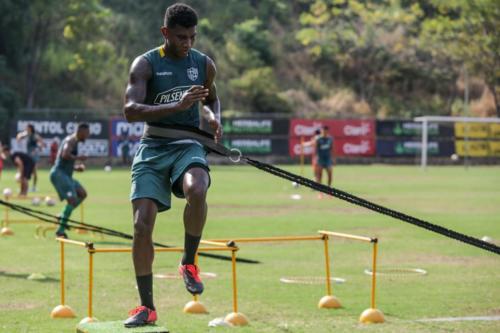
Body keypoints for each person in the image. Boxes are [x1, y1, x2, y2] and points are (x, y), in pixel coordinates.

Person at [122, 3, 221, 327]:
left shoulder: (203, 64)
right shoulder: (146, 64)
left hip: (187, 145)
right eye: (181, 37)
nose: (187, 43)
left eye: (192, 37)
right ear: (165, 33)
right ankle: (146, 308)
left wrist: (213, 116)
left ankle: (188, 262)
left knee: (198, 187)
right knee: (141, 225)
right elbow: (131, 110)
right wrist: (177, 106)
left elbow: (211, 98)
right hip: (153, 147)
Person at [49, 123, 90, 238]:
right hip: (59, 174)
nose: (87, 136)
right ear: (81, 132)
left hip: (66, 175)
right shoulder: (71, 140)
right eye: (86, 134)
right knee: (72, 200)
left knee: (82, 193)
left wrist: (76, 168)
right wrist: (79, 158)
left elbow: (65, 160)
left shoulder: (75, 141)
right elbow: (65, 154)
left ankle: (61, 217)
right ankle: (60, 231)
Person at [16, 124, 45, 192]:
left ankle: (34, 187)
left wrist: (37, 149)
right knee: (24, 171)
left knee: (34, 171)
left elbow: (41, 143)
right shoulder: (26, 134)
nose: (26, 129)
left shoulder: (35, 135)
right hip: (27, 156)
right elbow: (18, 137)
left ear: (31, 128)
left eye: (27, 128)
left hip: (34, 156)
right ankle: (23, 187)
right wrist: (20, 136)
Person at [315, 126, 334, 198]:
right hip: (320, 159)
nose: (324, 133)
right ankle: (320, 192)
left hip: (328, 159)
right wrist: (315, 158)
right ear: (321, 131)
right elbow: (315, 149)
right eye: (323, 131)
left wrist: (333, 158)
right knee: (320, 175)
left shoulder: (330, 139)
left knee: (330, 174)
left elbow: (332, 148)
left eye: (326, 131)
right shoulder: (318, 139)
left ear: (327, 131)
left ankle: (329, 191)